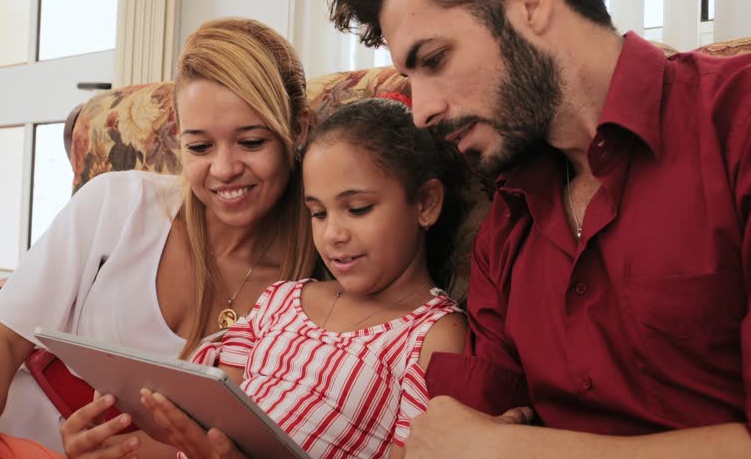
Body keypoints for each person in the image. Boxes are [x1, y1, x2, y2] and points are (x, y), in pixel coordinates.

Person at [328, 0, 751, 458]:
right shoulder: (507, 220)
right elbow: (459, 434)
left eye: (434, 60)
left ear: (531, 1)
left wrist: (510, 450)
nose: (423, 111)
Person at [0, 17, 317, 458]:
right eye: (200, 147)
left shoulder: (316, 293)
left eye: (251, 141)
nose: (224, 168)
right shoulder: (122, 204)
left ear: (298, 129)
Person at [61, 97, 472, 459]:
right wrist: (116, 450)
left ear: (426, 203)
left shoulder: (432, 335)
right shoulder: (281, 301)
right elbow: (202, 439)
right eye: (319, 213)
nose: (334, 235)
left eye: (358, 209)